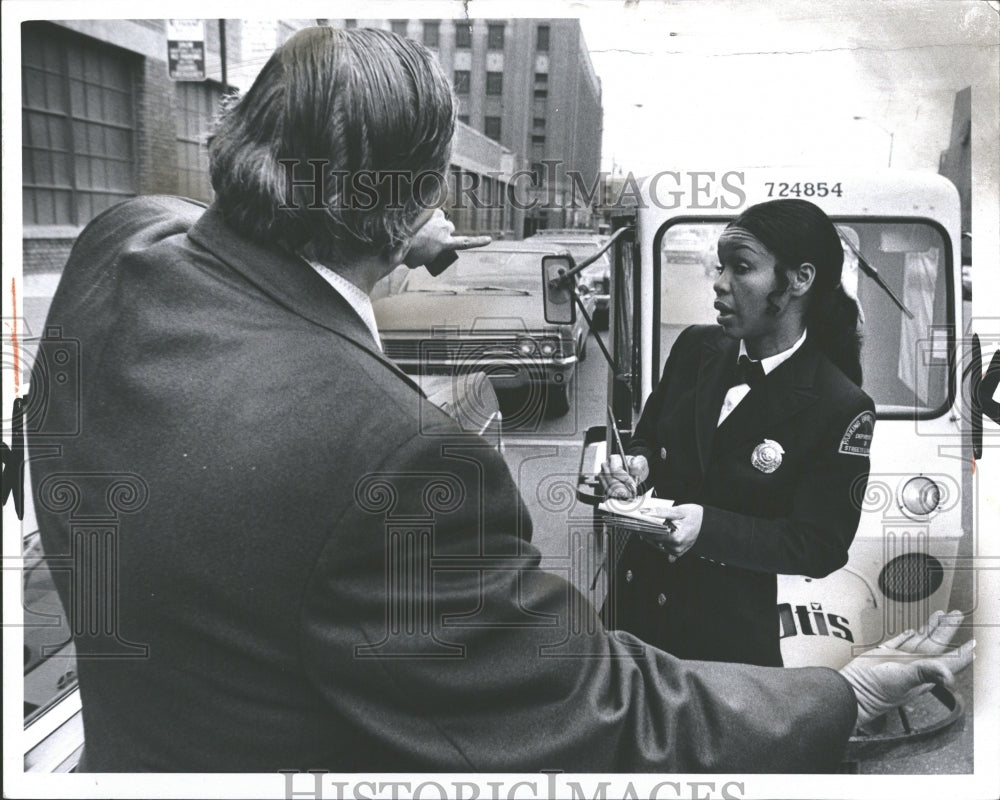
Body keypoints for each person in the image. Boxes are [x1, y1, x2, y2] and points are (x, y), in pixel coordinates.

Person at [28, 26, 972, 774]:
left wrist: (390, 227)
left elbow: (201, 219)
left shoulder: (119, 247)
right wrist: (851, 695)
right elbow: (597, 715)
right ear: (419, 201)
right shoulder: (399, 458)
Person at [599, 198, 877, 667]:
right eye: (720, 266)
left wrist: (708, 529)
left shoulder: (840, 405)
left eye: (741, 268)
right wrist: (636, 465)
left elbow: (820, 545)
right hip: (633, 616)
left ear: (799, 280)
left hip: (721, 648)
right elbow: (648, 436)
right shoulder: (695, 347)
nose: (720, 284)